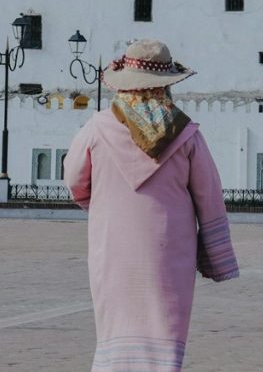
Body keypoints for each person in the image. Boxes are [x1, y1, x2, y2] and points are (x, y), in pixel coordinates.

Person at [64, 38, 239, 371]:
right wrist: (218, 259)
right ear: (167, 84)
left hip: (112, 247)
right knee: (163, 333)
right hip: (170, 253)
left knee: (114, 332)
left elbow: (74, 180)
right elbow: (209, 196)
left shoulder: (97, 128)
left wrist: (101, 206)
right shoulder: (186, 134)